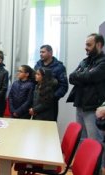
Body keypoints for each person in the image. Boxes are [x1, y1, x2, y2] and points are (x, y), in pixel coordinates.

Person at [67, 33, 105, 172]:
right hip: (80, 106)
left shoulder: (103, 62)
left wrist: (82, 76)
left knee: (95, 142)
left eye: (89, 45)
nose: (86, 48)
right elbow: (71, 77)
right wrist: (84, 76)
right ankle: (83, 170)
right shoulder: (85, 61)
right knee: (82, 141)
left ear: (99, 45)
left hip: (93, 108)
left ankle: (97, 171)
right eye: (86, 45)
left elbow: (91, 76)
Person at [34, 45, 68, 121]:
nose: (40, 54)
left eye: (43, 52)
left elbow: (64, 86)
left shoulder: (59, 67)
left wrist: (53, 97)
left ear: (50, 53)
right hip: (37, 101)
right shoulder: (37, 65)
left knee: (49, 126)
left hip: (51, 103)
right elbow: (34, 82)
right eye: (40, 52)